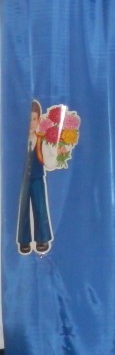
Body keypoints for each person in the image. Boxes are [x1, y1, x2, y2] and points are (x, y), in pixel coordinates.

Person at [17, 100, 55, 255]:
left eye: (34, 119)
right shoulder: (18, 140)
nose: (31, 123)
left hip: (37, 177)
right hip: (22, 179)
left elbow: (48, 160)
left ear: (39, 119)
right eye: (28, 119)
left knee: (40, 207)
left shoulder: (41, 139)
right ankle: (24, 239)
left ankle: (42, 237)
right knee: (23, 208)